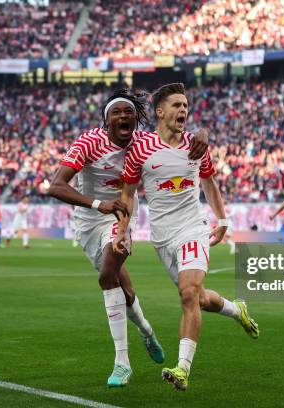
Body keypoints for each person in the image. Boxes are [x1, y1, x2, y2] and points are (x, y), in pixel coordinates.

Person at [48, 88, 209, 387]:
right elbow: (55, 186)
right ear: (106, 121)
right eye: (116, 113)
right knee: (126, 292)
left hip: (121, 216)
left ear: (136, 119)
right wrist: (98, 204)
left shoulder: (142, 143)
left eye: (129, 113)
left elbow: (179, 132)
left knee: (107, 275)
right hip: (88, 221)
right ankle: (147, 331)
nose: (124, 116)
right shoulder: (89, 142)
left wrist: (203, 131)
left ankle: (122, 362)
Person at [113, 83, 258, 391]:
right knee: (200, 298)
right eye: (177, 105)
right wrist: (122, 231)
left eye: (186, 106)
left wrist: (221, 219)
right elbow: (126, 193)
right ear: (160, 112)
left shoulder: (195, 144)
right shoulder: (141, 149)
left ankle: (182, 368)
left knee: (188, 293)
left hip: (193, 228)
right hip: (162, 237)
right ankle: (237, 310)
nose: (183, 110)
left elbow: (210, 182)